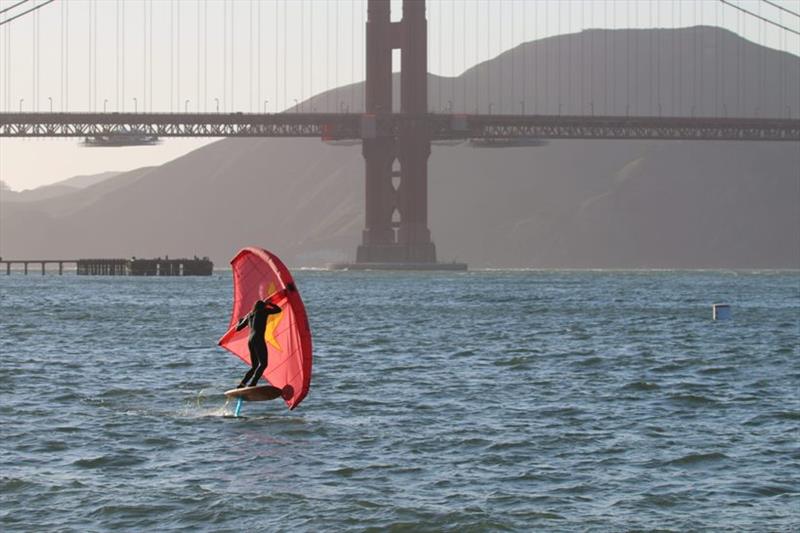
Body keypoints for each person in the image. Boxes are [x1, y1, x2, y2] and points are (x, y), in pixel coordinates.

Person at [235, 298, 281, 388]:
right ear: (263, 307)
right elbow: (278, 310)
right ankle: (253, 383)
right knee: (263, 364)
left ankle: (242, 384)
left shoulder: (249, 315)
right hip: (258, 339)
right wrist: (270, 304)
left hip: (250, 341)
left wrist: (240, 321)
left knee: (255, 366)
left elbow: (238, 328)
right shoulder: (263, 312)